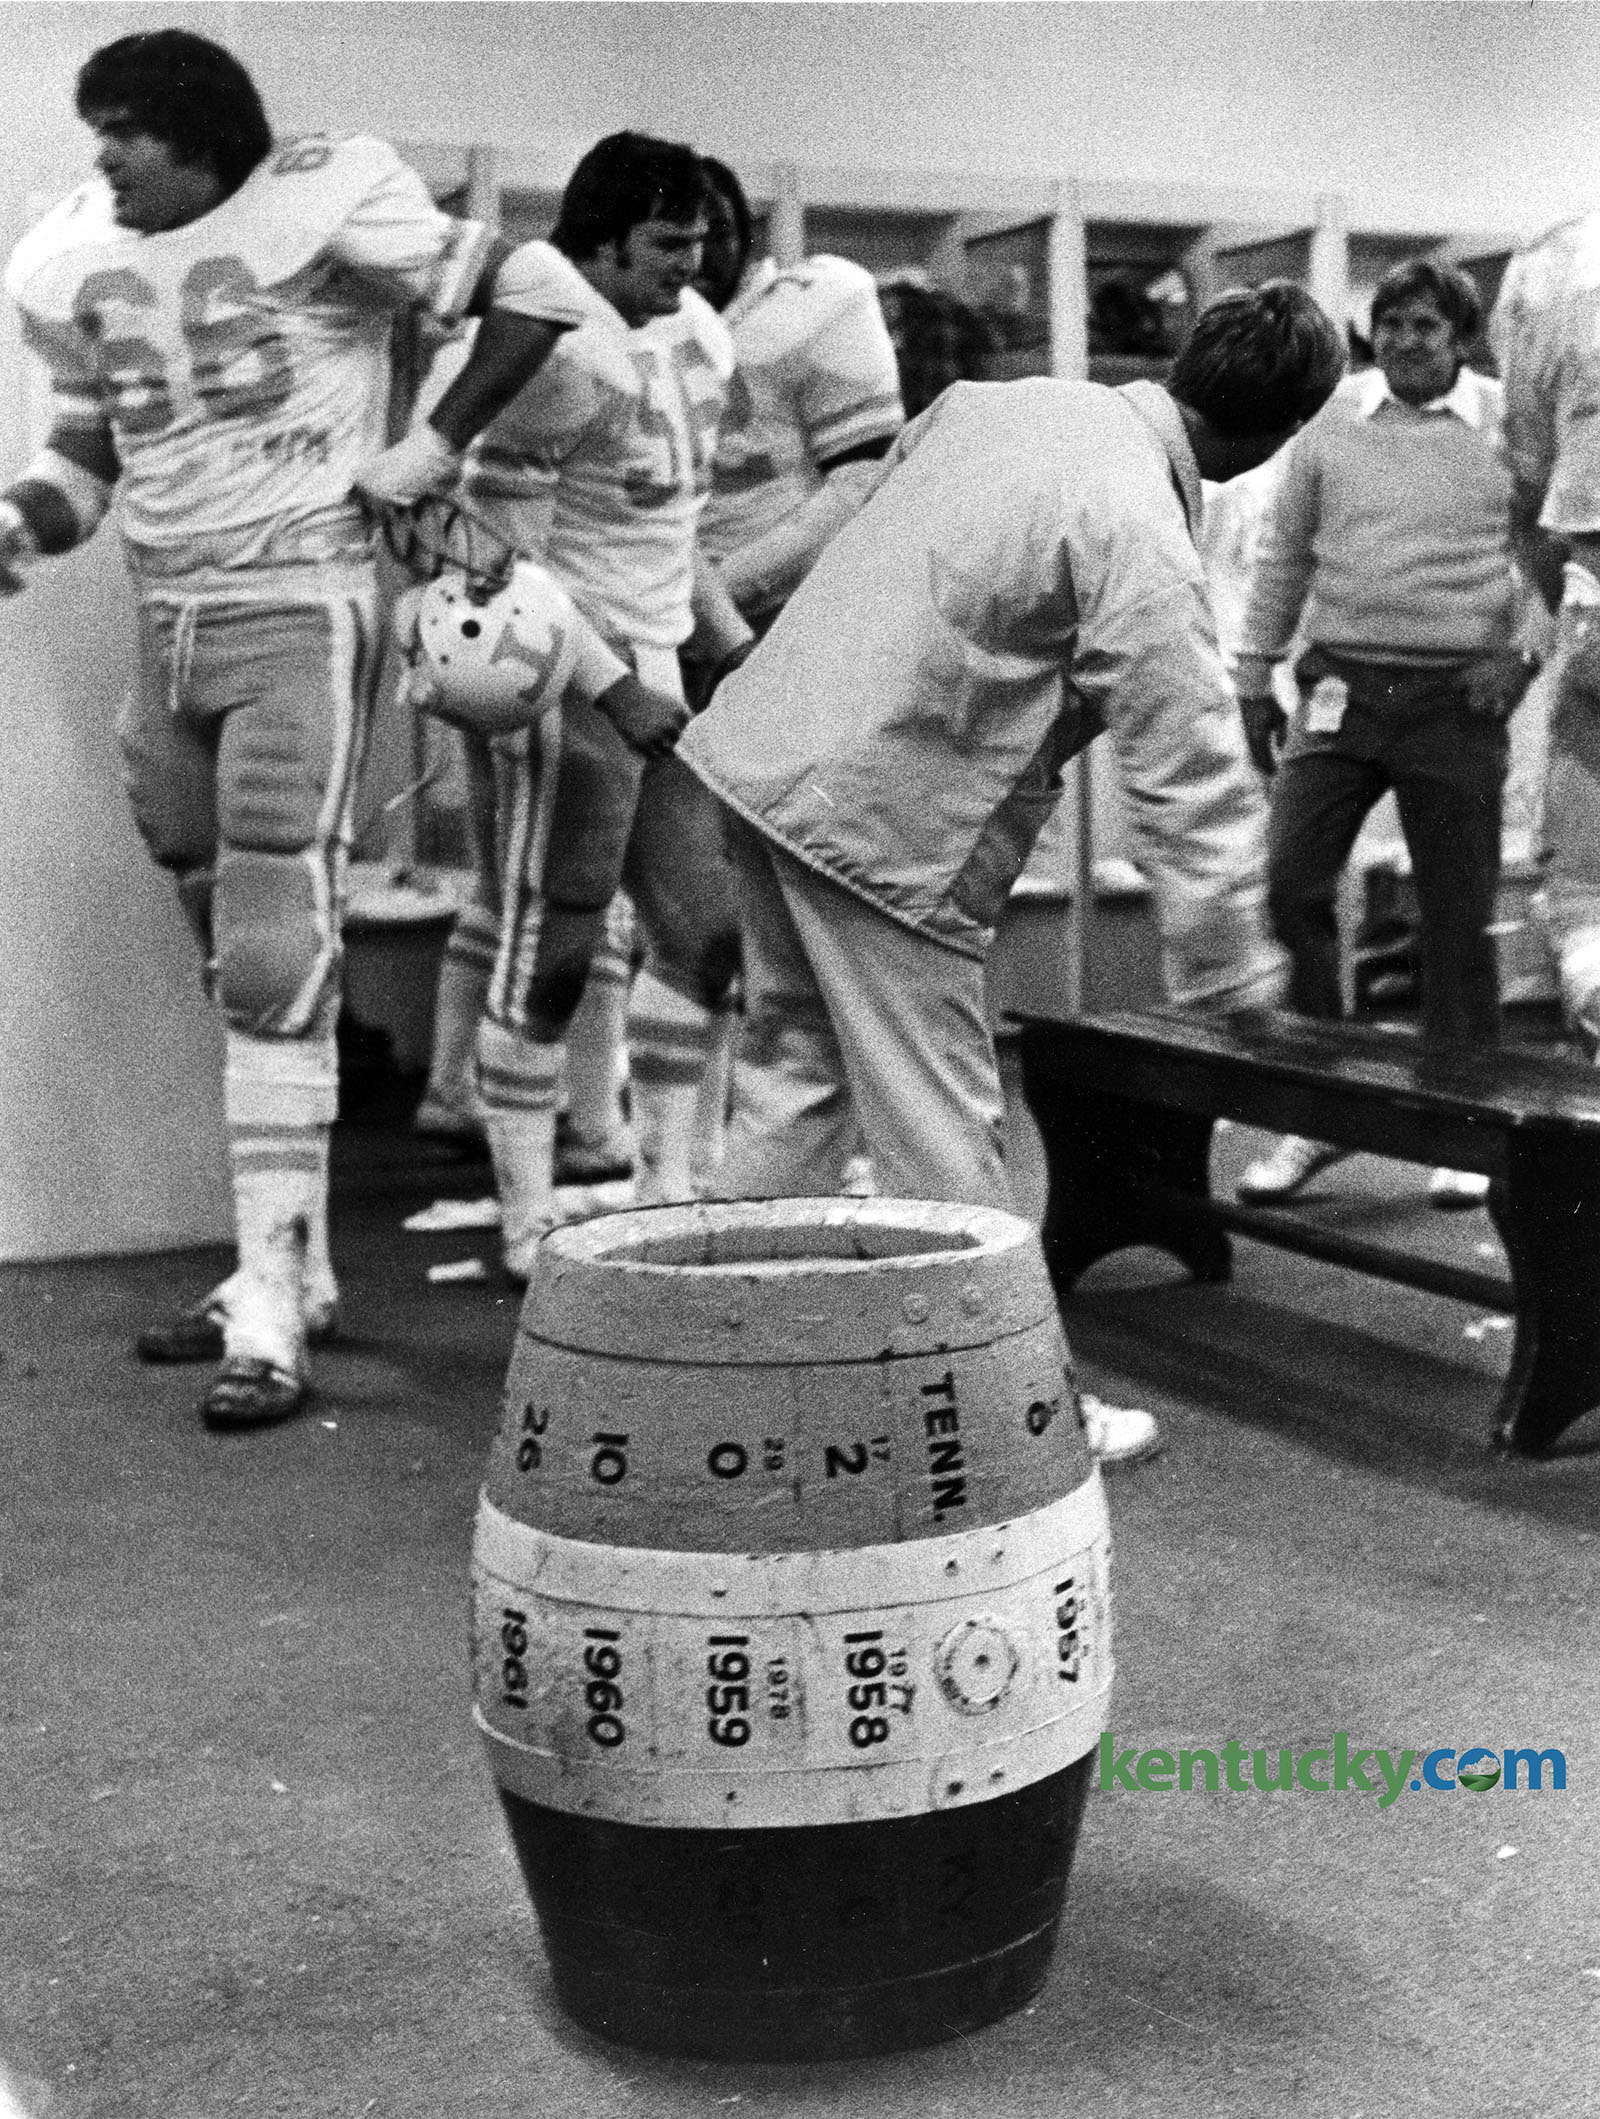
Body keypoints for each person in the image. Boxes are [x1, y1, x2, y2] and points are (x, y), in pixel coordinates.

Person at [0, 29, 667, 1428]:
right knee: (221, 929)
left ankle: (266, 1292)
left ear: (206, 137)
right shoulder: (75, 252)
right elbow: (84, 456)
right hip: (163, 613)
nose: (105, 155)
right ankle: (284, 1267)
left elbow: (537, 291)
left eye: (130, 130)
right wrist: (21, 522)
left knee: (272, 946)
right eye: (98, 129)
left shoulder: (327, 192)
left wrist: (430, 444)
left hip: (295, 606)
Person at [676, 281, 1347, 1465]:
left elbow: (851, 510)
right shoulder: (1139, 523)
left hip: (762, 756)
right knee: (943, 1141)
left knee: (794, 1077)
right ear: (1279, 435)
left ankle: (698, 1363)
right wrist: (1228, 963)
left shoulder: (999, 403)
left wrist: (725, 600)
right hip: (882, 828)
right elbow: (1185, 759)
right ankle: (1012, 1419)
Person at [389, 132, 742, 1280]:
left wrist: (723, 645)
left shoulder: (698, 333)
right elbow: (496, 557)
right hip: (564, 671)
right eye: (663, 247)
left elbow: (670, 525)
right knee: (552, 949)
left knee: (706, 943)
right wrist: (613, 684)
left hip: (659, 667)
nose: (686, 268)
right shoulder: (547, 351)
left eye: (697, 244)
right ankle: (527, 1216)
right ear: (597, 242)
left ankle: (668, 1185)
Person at [1231, 259, 1536, 1209]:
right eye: (1393, 323)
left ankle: (1463, 1123)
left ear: (1461, 338)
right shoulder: (1330, 422)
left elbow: (1556, 555)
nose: (1407, 341)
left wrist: (1518, 658)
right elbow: (1283, 552)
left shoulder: (1508, 425)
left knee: (1456, 918)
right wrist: (1252, 674)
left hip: (1458, 698)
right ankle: (1321, 1116)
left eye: (1427, 327)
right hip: (1340, 691)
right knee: (1288, 886)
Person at [1490, 217, 1600, 1060]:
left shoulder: (1553, 263)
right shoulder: (1552, 264)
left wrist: (1536, 618)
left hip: (1591, 585)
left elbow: (1527, 474)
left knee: (1590, 893)